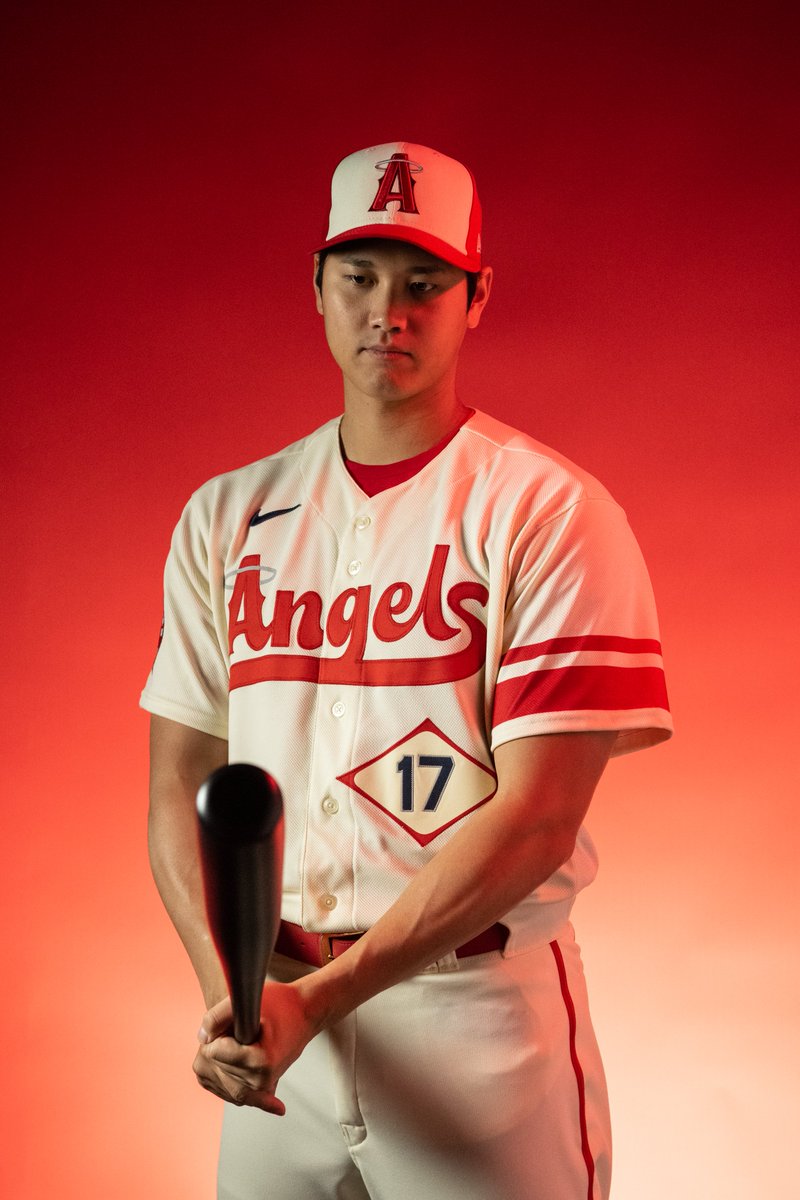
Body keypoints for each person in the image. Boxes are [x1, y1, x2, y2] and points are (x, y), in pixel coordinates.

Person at [142, 141, 672, 1200]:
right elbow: (176, 785)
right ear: (318, 286)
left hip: (471, 1026)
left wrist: (315, 1001)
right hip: (271, 1019)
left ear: (476, 297)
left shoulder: (547, 512)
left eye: (423, 281)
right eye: (361, 276)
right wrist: (230, 1002)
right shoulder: (227, 515)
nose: (388, 308)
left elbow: (535, 821)